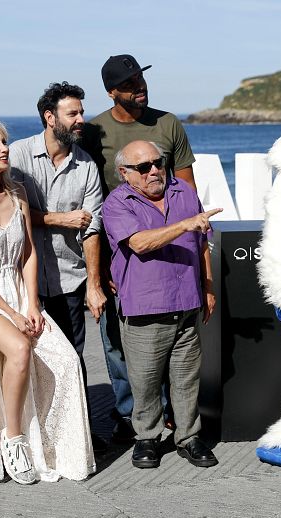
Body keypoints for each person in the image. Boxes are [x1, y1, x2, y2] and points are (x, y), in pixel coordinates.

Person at [0, 120, 95, 485]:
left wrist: (32, 304)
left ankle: (57, 447)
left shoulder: (17, 193)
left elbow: (29, 252)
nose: (4, 148)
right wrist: (11, 313)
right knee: (19, 347)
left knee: (66, 359)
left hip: (20, 294)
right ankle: (13, 439)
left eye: (5, 141)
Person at [81, 54, 197, 442]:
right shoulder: (94, 130)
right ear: (112, 92)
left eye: (141, 80)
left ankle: (168, 416)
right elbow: (89, 194)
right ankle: (128, 414)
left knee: (168, 341)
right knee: (117, 341)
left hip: (167, 248)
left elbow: (187, 191)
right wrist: (100, 267)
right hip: (117, 245)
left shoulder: (168, 124)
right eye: (129, 84)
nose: (139, 88)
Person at [102, 140, 220, 469]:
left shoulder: (183, 191)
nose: (154, 171)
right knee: (145, 380)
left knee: (186, 377)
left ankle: (189, 437)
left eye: (158, 162)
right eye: (144, 167)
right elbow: (140, 243)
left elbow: (202, 241)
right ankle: (147, 438)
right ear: (124, 173)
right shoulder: (117, 203)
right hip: (146, 305)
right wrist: (184, 224)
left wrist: (208, 285)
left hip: (187, 301)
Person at [8, 82, 107, 450]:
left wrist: (93, 284)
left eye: (81, 112)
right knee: (26, 358)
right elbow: (6, 213)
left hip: (69, 279)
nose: (81, 119)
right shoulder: (17, 155)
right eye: (73, 113)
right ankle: (32, 437)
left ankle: (76, 437)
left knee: (71, 359)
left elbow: (92, 228)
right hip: (21, 282)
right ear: (50, 118)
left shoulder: (87, 166)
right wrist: (57, 219)